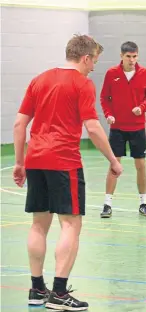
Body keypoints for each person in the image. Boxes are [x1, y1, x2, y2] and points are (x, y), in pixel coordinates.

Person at [13, 34, 123, 310]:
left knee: (39, 223)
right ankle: (59, 294)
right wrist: (112, 159)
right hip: (63, 161)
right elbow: (93, 127)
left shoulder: (40, 79)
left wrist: (19, 162)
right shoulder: (82, 84)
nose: (94, 67)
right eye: (94, 61)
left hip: (35, 159)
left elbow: (19, 125)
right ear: (85, 58)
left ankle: (37, 289)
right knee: (71, 224)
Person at [99, 41, 146, 218]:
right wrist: (108, 114)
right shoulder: (111, 74)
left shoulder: (144, 73)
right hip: (117, 128)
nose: (132, 60)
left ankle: (143, 202)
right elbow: (104, 97)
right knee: (114, 165)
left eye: (135, 56)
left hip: (137, 127)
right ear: (121, 56)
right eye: (128, 56)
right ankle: (107, 204)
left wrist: (142, 107)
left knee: (141, 165)